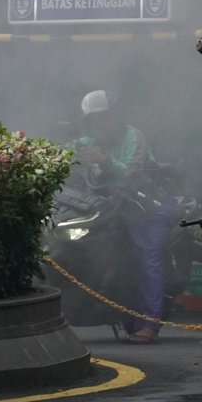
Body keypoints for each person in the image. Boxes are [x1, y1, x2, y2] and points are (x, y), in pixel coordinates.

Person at [73, 89, 173, 343]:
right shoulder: (86, 142)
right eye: (94, 120)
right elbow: (64, 155)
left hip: (147, 207)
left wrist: (103, 160)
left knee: (147, 258)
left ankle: (150, 323)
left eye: (105, 118)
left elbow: (131, 174)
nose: (101, 125)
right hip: (111, 209)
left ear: (118, 117)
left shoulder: (134, 137)